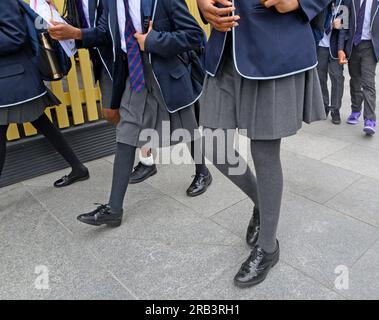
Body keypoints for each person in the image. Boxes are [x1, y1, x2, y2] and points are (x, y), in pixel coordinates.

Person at [197, 0, 329, 287]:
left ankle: (268, 248)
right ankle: (263, 202)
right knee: (211, 143)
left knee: (264, 151)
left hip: (273, 44)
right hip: (224, 46)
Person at [75, 0, 212, 227]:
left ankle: (202, 172)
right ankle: (113, 209)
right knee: (126, 132)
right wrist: (77, 34)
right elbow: (104, 33)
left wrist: (153, 41)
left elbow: (194, 35)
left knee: (187, 127)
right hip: (133, 73)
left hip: (167, 74)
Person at [48, 0, 158, 183]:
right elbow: (78, 24)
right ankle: (145, 150)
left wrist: (76, 33)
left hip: (125, 56)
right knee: (110, 112)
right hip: (103, 61)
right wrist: (54, 16)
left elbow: (107, 31)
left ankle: (147, 159)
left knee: (173, 112)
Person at [0, 0, 89, 188]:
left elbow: (15, 35)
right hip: (11, 80)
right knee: (41, 121)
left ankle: (78, 168)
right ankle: (78, 168)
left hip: (14, 79)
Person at [339, 0, 379, 135]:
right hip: (353, 46)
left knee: (368, 82)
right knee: (355, 80)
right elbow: (344, 24)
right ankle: (355, 110)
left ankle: (370, 120)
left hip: (370, 47)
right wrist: (341, 48)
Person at [317, 0, 346, 125]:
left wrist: (342, 22)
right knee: (320, 77)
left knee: (337, 78)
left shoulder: (344, 3)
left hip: (335, 47)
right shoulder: (321, 3)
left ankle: (335, 109)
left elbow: (347, 26)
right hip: (320, 46)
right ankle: (324, 105)